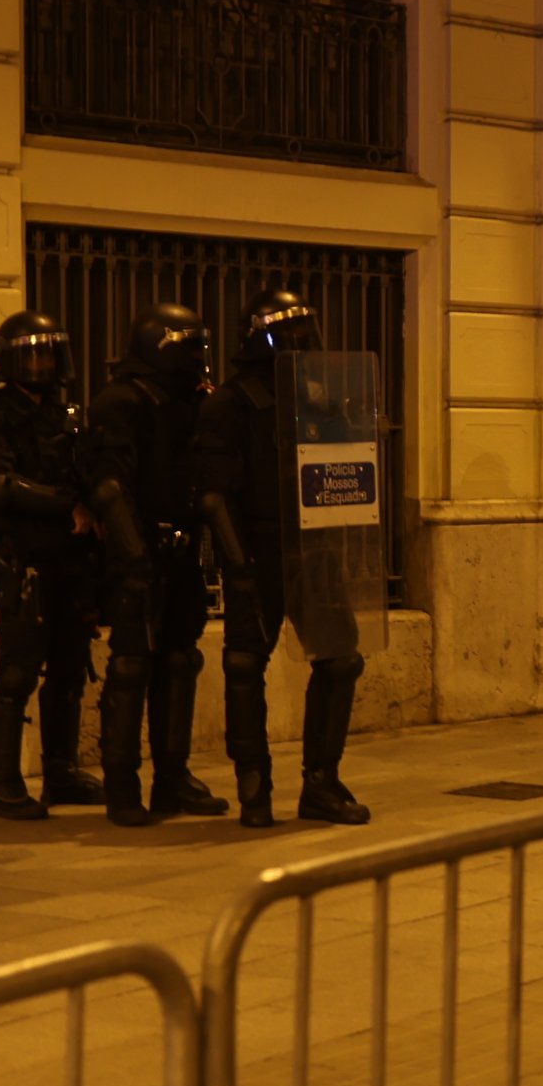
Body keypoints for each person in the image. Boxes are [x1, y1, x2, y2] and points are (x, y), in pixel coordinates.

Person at [199, 286, 371, 826]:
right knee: (246, 664)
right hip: (257, 549)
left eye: (305, 331)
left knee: (341, 660)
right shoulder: (230, 403)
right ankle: (254, 783)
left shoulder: (313, 398)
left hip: (313, 548)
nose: (300, 342)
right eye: (288, 332)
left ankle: (321, 782)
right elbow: (213, 494)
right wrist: (239, 566)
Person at [86, 304, 227, 826]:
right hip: (137, 553)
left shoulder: (192, 401)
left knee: (179, 662)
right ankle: (121, 786)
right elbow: (109, 486)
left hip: (183, 548)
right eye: (187, 347)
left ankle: (172, 777)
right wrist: (133, 555)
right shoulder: (121, 401)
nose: (196, 359)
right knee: (130, 668)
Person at [0, 311, 101, 821]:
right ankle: (3, 783)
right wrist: (66, 503)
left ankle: (61, 772)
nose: (42, 362)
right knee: (17, 673)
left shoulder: (60, 413)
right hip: (24, 559)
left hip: (70, 559)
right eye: (33, 353)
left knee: (68, 672)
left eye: (49, 352)